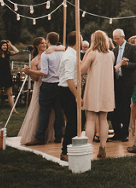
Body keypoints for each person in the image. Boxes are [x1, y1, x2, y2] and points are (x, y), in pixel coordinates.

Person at [25, 32, 65, 146]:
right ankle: (58, 136)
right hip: (60, 85)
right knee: (58, 112)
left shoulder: (46, 55)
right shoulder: (62, 52)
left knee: (44, 112)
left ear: (48, 41)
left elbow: (44, 72)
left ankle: (40, 136)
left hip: (48, 86)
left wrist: (29, 71)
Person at [18, 37, 60, 144]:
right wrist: (30, 72)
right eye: (41, 43)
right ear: (37, 46)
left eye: (44, 42)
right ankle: (40, 134)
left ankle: (51, 135)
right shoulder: (35, 60)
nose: (44, 44)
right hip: (41, 85)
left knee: (52, 112)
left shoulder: (51, 53)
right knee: (40, 111)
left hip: (50, 85)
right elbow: (35, 79)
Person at [80, 30, 115, 159]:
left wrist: (81, 61)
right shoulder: (111, 54)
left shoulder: (92, 53)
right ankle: (103, 147)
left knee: (90, 119)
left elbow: (82, 71)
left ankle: (88, 147)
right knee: (103, 119)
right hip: (107, 90)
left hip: (94, 89)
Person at [109, 28, 136, 142]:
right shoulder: (114, 50)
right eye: (114, 39)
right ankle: (117, 132)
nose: (115, 40)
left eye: (117, 38)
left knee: (125, 107)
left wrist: (126, 64)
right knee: (115, 107)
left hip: (127, 81)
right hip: (117, 81)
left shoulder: (131, 48)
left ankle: (125, 132)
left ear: (123, 37)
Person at [58, 31, 82, 161]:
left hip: (69, 89)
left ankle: (70, 147)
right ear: (77, 41)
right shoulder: (69, 56)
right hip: (67, 90)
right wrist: (77, 95)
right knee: (73, 121)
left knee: (77, 120)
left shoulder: (73, 55)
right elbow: (69, 79)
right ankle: (65, 151)